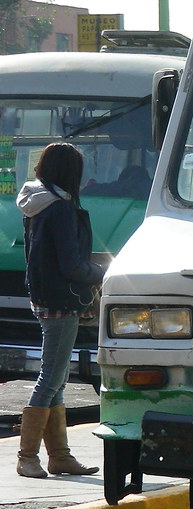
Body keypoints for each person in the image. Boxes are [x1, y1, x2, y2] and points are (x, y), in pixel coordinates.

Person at [14, 143, 106, 478]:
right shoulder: (61, 209)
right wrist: (107, 275)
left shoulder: (36, 204)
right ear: (71, 173)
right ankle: (27, 457)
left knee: (57, 380)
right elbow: (72, 265)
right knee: (51, 377)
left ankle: (60, 457)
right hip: (62, 300)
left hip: (43, 297)